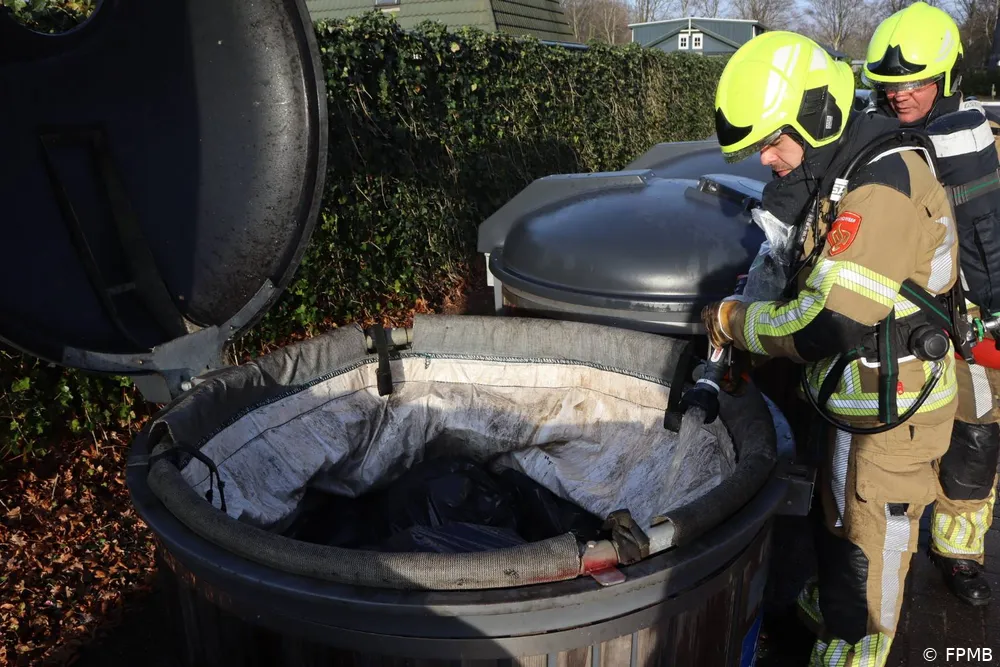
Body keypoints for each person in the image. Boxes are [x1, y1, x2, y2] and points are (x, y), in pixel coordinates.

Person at [706, 30, 961, 666]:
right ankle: (834, 629)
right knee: (844, 529)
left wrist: (735, 322)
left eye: (772, 141)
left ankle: (856, 650)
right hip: (862, 403)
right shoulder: (841, 168)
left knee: (869, 560)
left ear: (816, 116)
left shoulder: (881, 189)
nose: (765, 159)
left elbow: (828, 324)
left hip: (895, 421)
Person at [863, 1, 1000, 607]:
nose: (900, 95)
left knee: (976, 436)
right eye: (891, 84)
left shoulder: (974, 137)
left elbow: (987, 233)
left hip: (971, 319)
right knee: (889, 443)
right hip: (899, 321)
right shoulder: (873, 136)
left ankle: (959, 551)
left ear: (947, 78)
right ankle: (869, 563)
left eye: (915, 82)